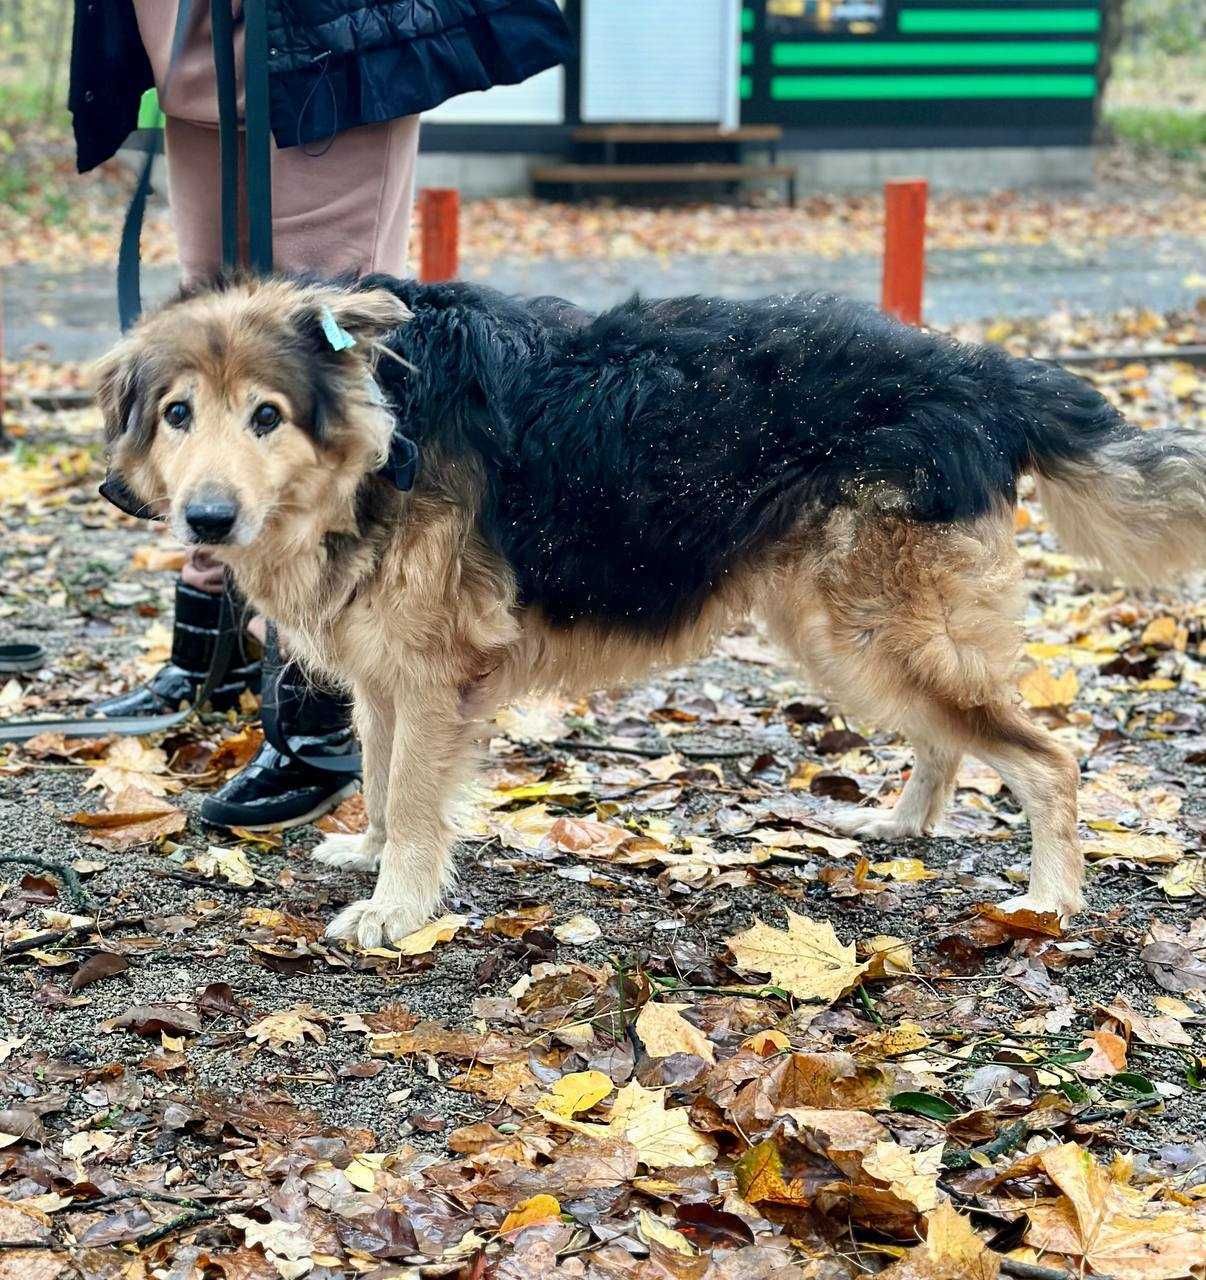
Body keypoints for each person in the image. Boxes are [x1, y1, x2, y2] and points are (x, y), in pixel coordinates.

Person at [68, 0, 573, 829]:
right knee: (213, 327)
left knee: (322, 339)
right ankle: (213, 651)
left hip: (319, 31)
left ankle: (320, 724)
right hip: (188, 40)